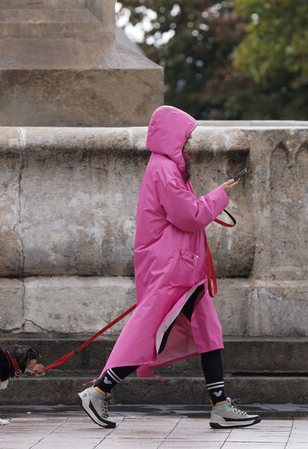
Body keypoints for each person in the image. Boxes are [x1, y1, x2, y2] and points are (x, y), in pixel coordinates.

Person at [76, 105, 261, 430]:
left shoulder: (165, 168)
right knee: (150, 332)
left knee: (207, 331)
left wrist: (213, 198)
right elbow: (189, 217)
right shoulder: (164, 169)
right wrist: (219, 196)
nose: (188, 145)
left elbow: (184, 211)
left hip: (181, 268)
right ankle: (98, 390)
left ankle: (220, 405)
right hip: (174, 269)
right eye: (186, 138)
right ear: (173, 137)